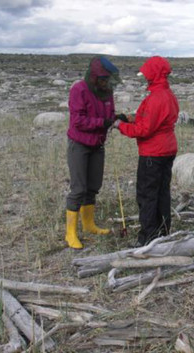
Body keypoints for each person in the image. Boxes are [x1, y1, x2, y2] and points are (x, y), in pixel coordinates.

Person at [114, 56, 179, 246]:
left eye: (146, 73)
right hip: (167, 150)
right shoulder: (167, 94)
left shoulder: (156, 98)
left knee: (147, 196)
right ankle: (162, 233)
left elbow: (144, 129)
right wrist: (128, 118)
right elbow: (149, 120)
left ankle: (148, 238)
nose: (144, 77)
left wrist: (120, 125)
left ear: (153, 74)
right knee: (161, 193)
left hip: (153, 153)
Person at [65, 56, 127, 249]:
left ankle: (89, 225)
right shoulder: (79, 90)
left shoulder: (107, 92)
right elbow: (78, 121)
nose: (106, 83)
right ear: (94, 77)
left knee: (93, 186)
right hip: (80, 144)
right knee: (78, 188)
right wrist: (103, 123)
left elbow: (108, 114)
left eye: (108, 80)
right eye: (103, 79)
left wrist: (116, 118)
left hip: (97, 145)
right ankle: (70, 233)